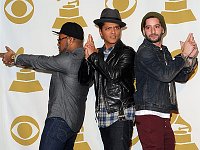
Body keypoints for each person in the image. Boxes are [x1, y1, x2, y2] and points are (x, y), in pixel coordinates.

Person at [1, 22, 89, 150]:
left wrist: (15, 57)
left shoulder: (69, 60)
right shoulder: (87, 59)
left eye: (60, 39)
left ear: (70, 40)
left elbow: (41, 61)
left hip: (60, 122)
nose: (58, 43)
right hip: (73, 125)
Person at [134, 12, 198, 150]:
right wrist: (183, 55)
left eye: (156, 26)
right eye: (148, 27)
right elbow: (165, 75)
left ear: (163, 29)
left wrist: (190, 59)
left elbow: (180, 77)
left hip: (162, 113)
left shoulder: (164, 51)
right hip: (149, 113)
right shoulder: (144, 51)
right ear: (144, 31)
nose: (152, 31)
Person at [82, 8, 135, 150]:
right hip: (103, 114)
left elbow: (114, 75)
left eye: (117, 28)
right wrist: (87, 59)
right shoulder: (97, 54)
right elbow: (84, 81)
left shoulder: (127, 52)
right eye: (108, 28)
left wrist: (93, 57)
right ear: (100, 32)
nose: (113, 32)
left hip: (120, 113)